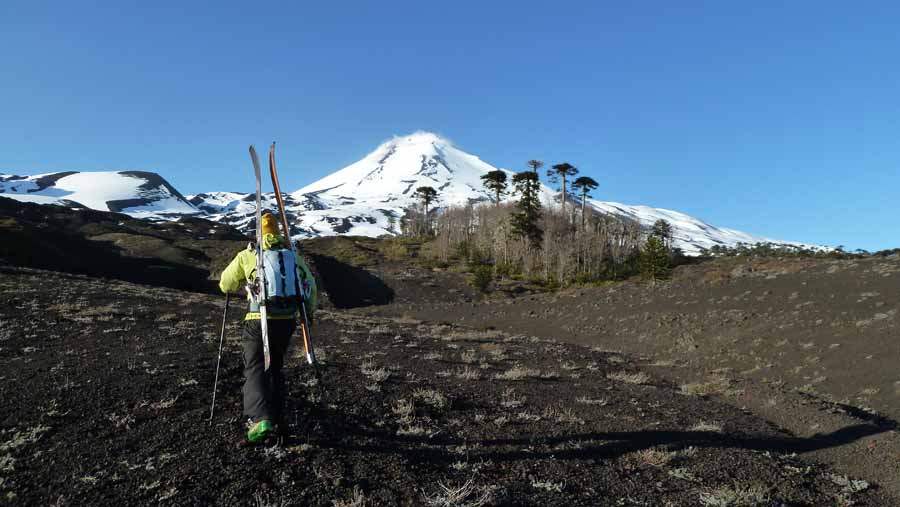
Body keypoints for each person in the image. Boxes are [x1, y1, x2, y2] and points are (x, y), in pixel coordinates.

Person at [218, 211, 317, 443]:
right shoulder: (291, 255)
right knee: (275, 367)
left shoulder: (248, 254)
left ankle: (260, 419)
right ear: (278, 232)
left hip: (258, 319)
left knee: (255, 368)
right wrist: (308, 314)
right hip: (286, 321)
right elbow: (310, 285)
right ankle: (279, 418)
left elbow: (225, 283)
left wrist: (245, 280)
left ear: (259, 232)